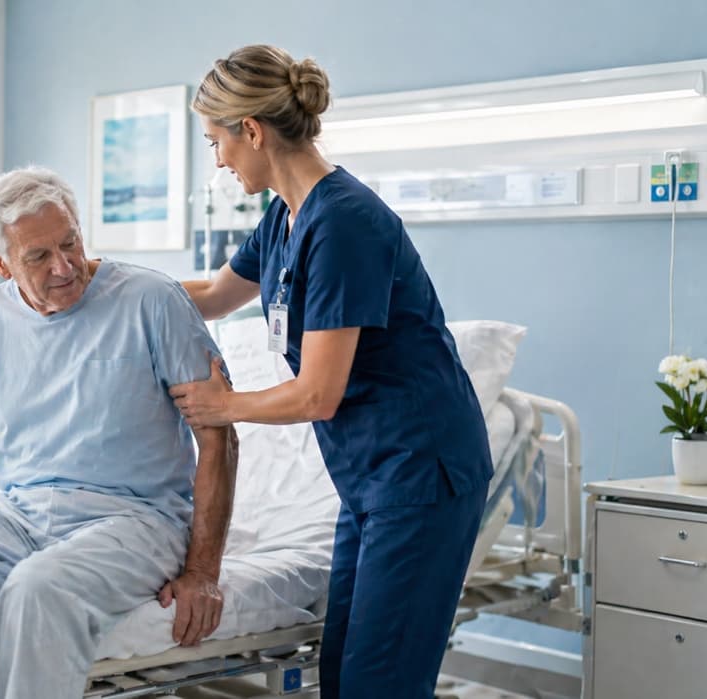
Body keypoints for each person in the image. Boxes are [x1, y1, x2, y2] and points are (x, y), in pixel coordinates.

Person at [169, 45, 493, 699]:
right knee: (345, 673)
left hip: (419, 471)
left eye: (216, 143)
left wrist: (220, 405)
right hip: (369, 478)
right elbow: (209, 295)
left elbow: (318, 392)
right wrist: (96, 281)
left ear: (252, 132)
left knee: (380, 682)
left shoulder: (343, 221)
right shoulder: (283, 216)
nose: (219, 161)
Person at [0, 166, 238, 698]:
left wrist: (203, 571)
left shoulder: (152, 300)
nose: (64, 266)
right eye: (38, 256)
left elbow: (218, 437)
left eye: (71, 243)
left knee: (37, 589)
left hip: (136, 519)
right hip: (19, 512)